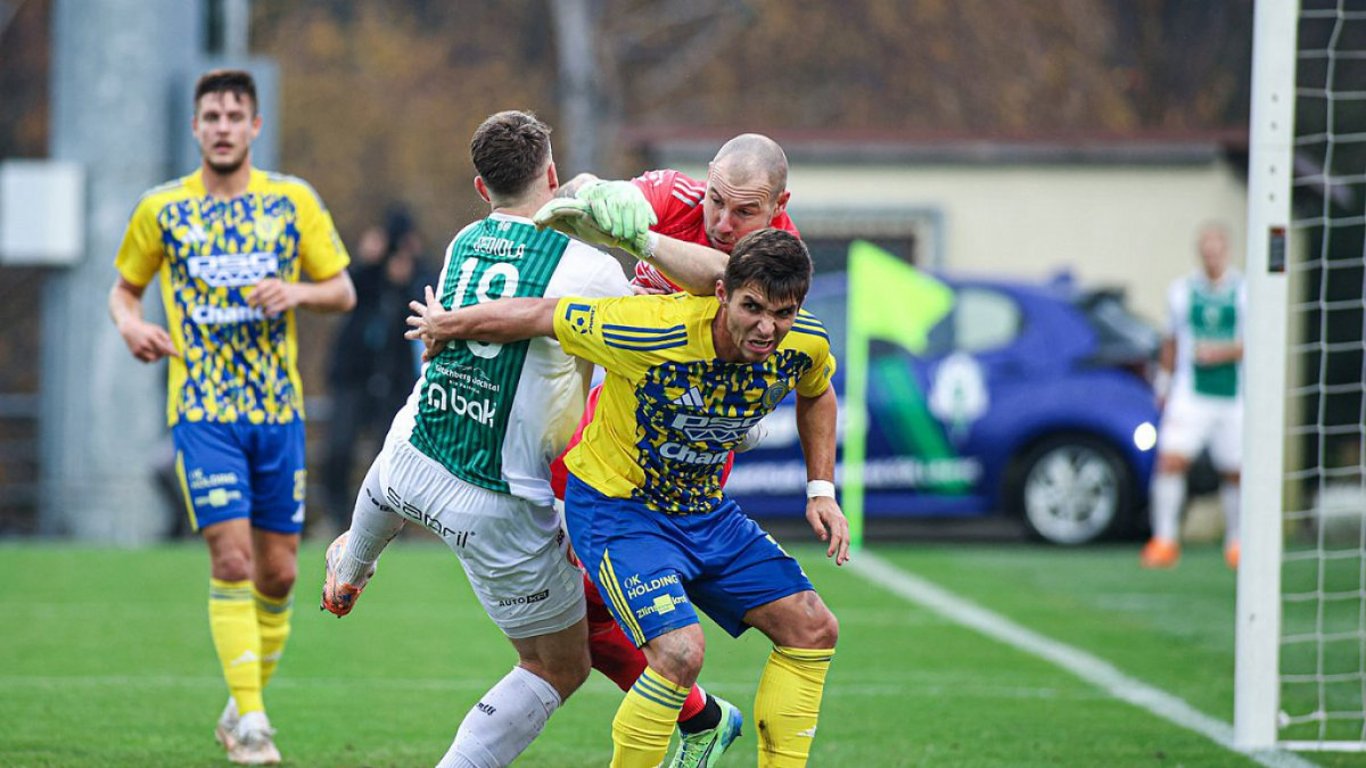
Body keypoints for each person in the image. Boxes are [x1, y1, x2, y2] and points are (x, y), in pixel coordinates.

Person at [320, 110, 738, 768]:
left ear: (481, 188)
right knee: (555, 666)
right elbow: (633, 376)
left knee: (389, 483)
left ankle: (350, 568)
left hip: (410, 455)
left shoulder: (463, 241)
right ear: (552, 174)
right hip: (497, 499)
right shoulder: (592, 270)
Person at [406, 227, 849, 767]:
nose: (766, 327)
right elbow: (542, 314)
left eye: (782, 314)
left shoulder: (805, 342)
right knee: (679, 652)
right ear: (721, 293)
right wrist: (445, 325)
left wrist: (821, 490)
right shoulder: (649, 328)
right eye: (751, 307)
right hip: (617, 510)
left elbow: (817, 392)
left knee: (813, 629)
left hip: (703, 511)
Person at [108, 69, 356, 765]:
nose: (222, 127)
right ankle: (252, 722)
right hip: (202, 411)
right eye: (211, 116)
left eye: (234, 115)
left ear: (254, 126)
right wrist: (130, 326)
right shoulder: (162, 209)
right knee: (233, 558)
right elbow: (124, 291)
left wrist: (296, 292)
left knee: (279, 575)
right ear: (196, 128)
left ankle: (239, 705)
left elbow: (342, 290)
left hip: (277, 412)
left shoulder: (291, 200)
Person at [556, 132, 798, 294]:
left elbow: (725, 274)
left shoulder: (786, 251)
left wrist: (641, 242)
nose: (723, 224)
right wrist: (591, 189)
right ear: (710, 175)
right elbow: (565, 194)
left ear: (779, 204)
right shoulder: (676, 193)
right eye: (716, 200)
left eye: (744, 212)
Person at [1140, 223, 1245, 570]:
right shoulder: (1182, 291)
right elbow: (1170, 340)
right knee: (1171, 460)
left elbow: (1259, 341)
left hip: (1233, 394)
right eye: (1205, 249)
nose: (1211, 255)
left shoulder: (1245, 291)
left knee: (1236, 470)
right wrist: (1164, 384)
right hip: (1190, 393)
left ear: (1226, 251)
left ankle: (1237, 542)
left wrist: (1222, 352)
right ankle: (1164, 540)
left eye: (1216, 249)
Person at [321, 210, 432, 535]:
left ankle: (392, 524)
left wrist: (410, 272)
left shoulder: (416, 274)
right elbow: (347, 295)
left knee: (391, 455)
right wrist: (367, 262)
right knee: (339, 447)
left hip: (396, 381)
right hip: (353, 375)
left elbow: (429, 304)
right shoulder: (367, 276)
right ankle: (336, 516)